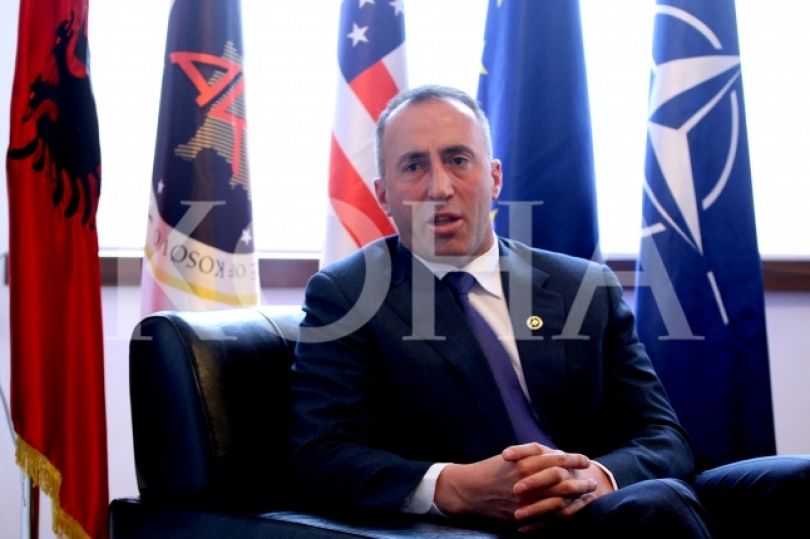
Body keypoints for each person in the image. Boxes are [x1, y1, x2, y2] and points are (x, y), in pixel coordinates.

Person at [289, 85, 806, 536]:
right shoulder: (348, 295)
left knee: (794, 479)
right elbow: (320, 453)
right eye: (413, 166)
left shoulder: (583, 286)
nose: (439, 187)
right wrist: (454, 486)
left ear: (494, 178)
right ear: (383, 196)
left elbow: (663, 436)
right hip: (496, 526)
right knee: (658, 506)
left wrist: (596, 477)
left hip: (609, 502)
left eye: (458, 159)